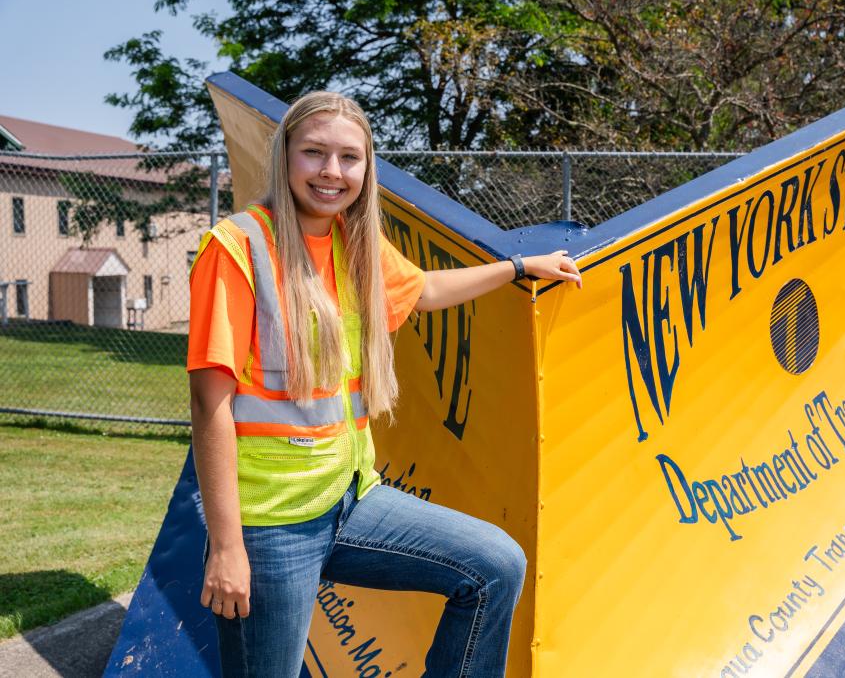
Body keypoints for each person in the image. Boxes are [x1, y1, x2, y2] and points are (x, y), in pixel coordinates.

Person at [187, 90, 582, 678]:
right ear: (284, 156)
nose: (331, 171)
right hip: (269, 527)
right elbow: (208, 404)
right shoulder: (239, 247)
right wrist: (226, 546)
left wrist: (520, 267)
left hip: (350, 500)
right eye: (314, 152)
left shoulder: (353, 243)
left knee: (496, 565)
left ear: (366, 168)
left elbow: (422, 290)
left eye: (349, 157)